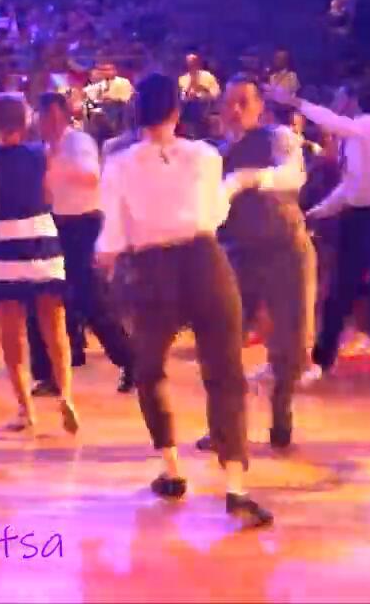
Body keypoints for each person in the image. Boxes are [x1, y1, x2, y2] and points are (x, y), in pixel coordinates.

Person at [96, 73, 271, 528]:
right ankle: (236, 487)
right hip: (204, 260)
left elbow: (112, 235)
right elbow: (215, 213)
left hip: (151, 268)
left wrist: (107, 261)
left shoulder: (118, 164)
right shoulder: (206, 156)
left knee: (149, 368)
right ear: (177, 111)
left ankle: (172, 469)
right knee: (225, 373)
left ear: (135, 112)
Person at [265, 81, 370, 389]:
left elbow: (335, 124)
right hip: (357, 215)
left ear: (352, 99)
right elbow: (349, 189)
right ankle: (322, 359)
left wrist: (294, 102)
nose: (335, 101)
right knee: (340, 289)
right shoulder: (349, 139)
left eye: (339, 97)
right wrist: (317, 212)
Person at [203, 73, 313, 452]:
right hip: (239, 252)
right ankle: (224, 427)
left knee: (290, 343)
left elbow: (293, 175)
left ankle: (282, 416)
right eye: (229, 103)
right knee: (223, 340)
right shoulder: (216, 154)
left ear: (259, 107)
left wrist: (250, 179)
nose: (235, 110)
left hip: (286, 251)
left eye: (243, 102)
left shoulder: (277, 137)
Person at [0, 93, 79, 434]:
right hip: (42, 234)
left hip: (5, 240)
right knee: (55, 322)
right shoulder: (42, 154)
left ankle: (25, 409)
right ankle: (66, 393)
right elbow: (49, 195)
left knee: (12, 329)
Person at [37, 91, 134, 393]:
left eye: (51, 115)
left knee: (91, 299)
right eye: (43, 116)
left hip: (83, 225)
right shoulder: (45, 148)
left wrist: (52, 167)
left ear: (62, 116)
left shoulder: (77, 142)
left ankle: (132, 360)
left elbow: (91, 176)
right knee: (52, 298)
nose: (46, 122)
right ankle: (58, 368)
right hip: (57, 226)